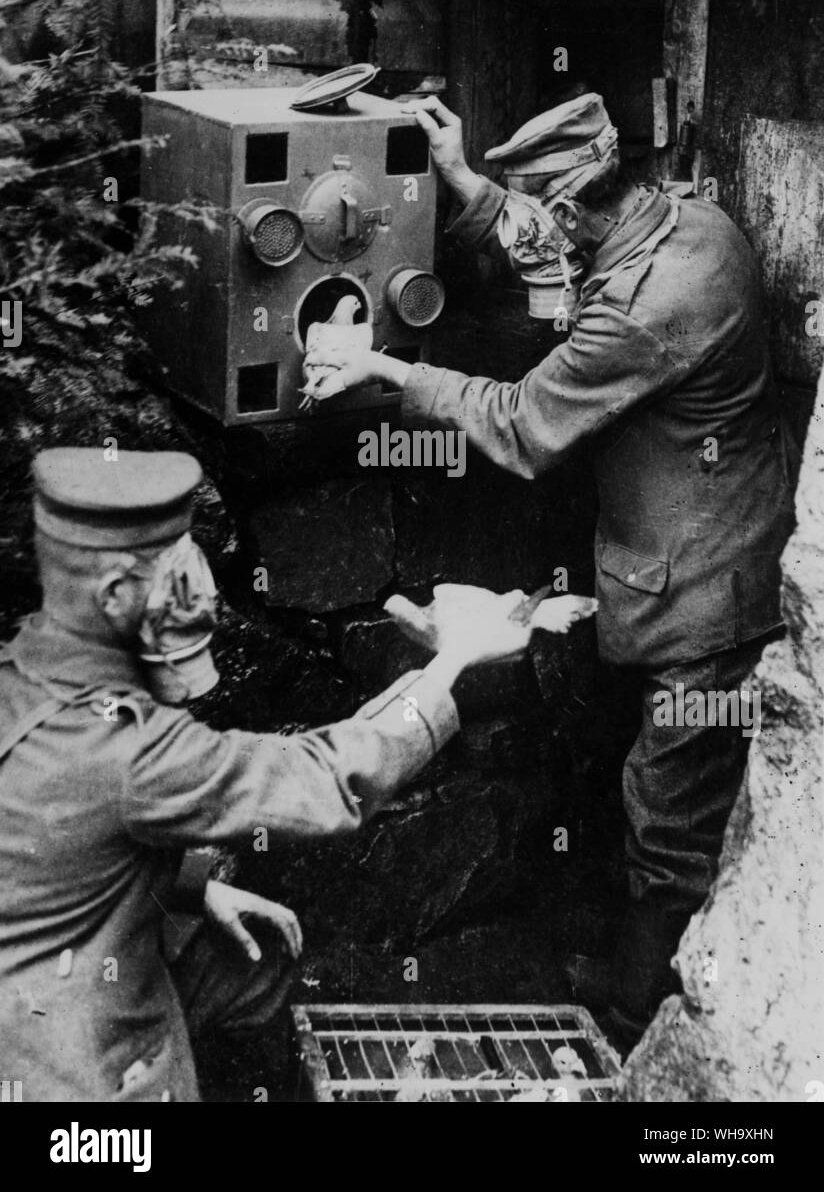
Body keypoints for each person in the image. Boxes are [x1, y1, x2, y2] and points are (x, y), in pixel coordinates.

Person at [305, 91, 799, 1053]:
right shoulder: (690, 222)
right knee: (646, 788)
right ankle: (635, 975)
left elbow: (527, 425)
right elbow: (566, 258)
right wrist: (471, 190)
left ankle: (645, 1032)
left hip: (707, 594)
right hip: (698, 551)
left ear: (574, 212)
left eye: (544, 221)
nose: (540, 242)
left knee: (669, 818)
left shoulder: (650, 305)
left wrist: (386, 368)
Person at [0, 446, 551, 1102]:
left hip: (34, 983)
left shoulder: (26, 670)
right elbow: (324, 777)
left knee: (250, 962)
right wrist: (453, 658)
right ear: (115, 594)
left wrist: (193, 887)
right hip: (69, 1080)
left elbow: (53, 844)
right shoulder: (126, 747)